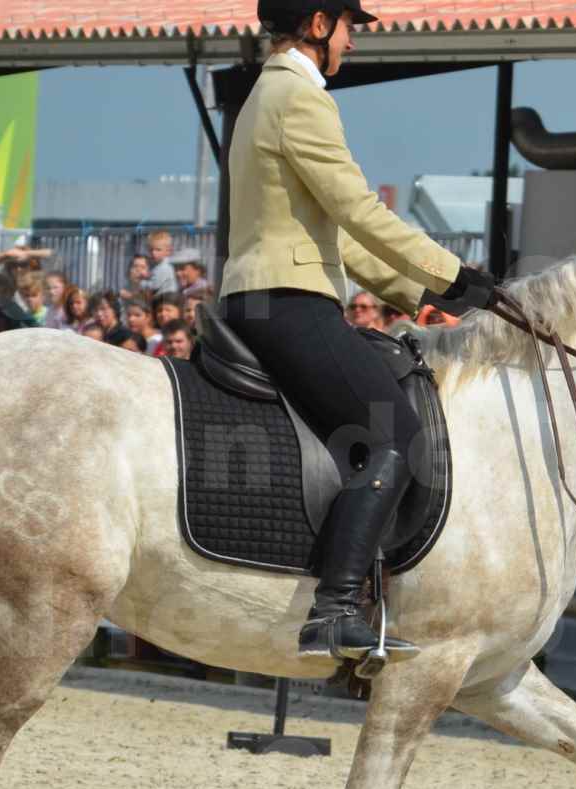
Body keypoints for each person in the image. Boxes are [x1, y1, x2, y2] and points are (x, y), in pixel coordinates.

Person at [218, 0, 495, 660]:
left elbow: (335, 233)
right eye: (348, 27)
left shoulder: (268, 93)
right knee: (394, 433)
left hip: (264, 294)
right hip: (287, 300)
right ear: (318, 23)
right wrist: (454, 271)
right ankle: (334, 608)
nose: (352, 42)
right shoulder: (300, 97)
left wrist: (417, 298)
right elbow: (358, 208)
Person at [144, 230, 179, 295]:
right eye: (151, 250)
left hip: (167, 300)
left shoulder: (165, 267)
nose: (153, 253)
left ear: (168, 251)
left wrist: (140, 282)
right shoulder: (158, 265)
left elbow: (155, 286)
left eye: (158, 250)